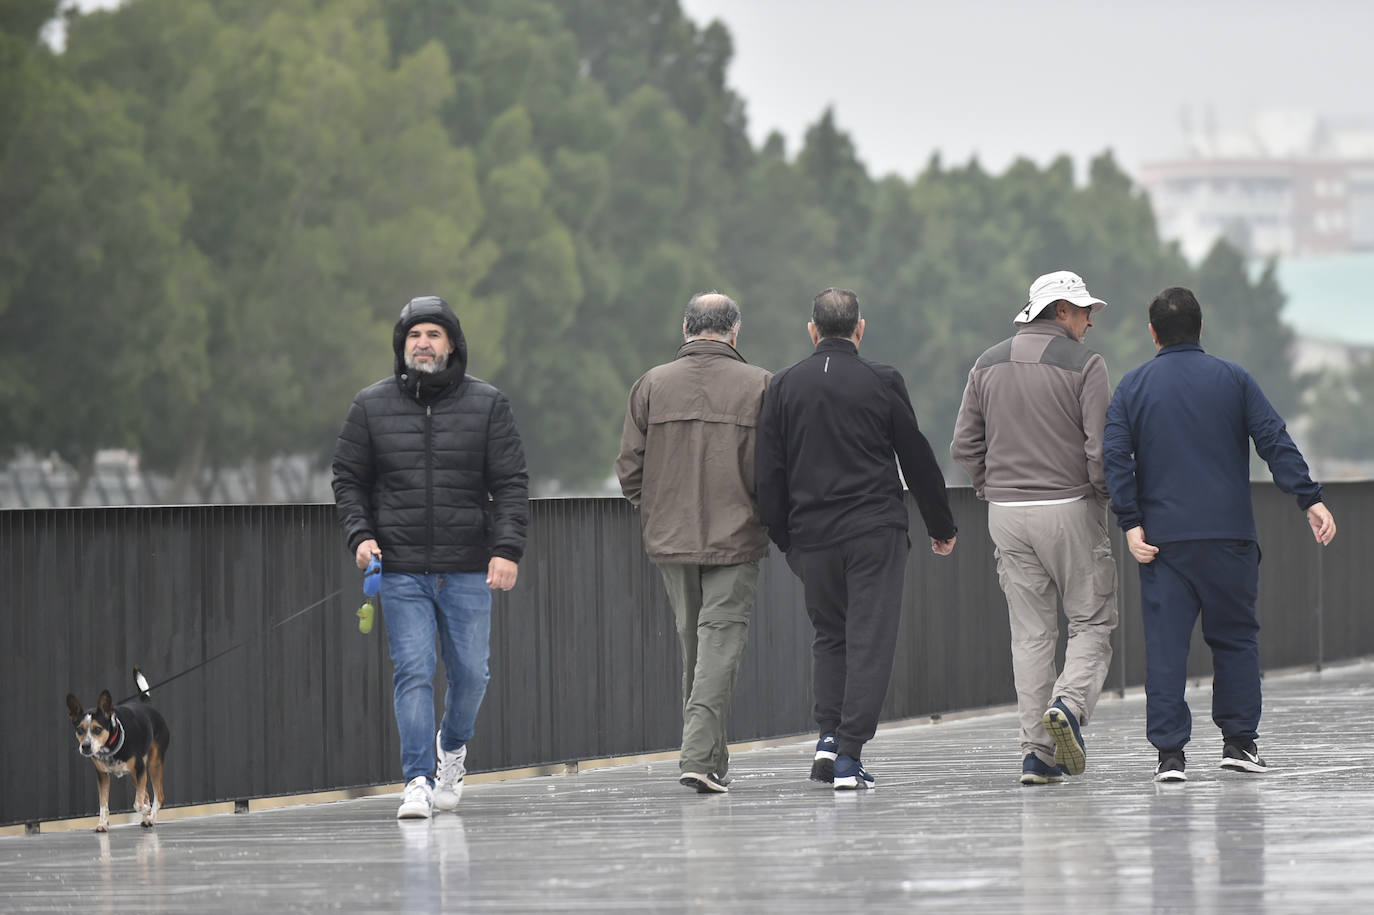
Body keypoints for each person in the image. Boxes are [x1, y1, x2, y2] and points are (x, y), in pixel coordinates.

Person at [1103, 286, 1336, 783]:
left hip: (1162, 543)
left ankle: (1170, 756)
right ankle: (1239, 743)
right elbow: (1274, 439)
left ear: (1153, 334)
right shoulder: (1234, 379)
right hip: (1229, 536)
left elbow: (1115, 458)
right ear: (1200, 327)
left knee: (1166, 647)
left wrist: (1130, 521)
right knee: (1235, 639)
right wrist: (1309, 498)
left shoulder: (1133, 387)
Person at [332, 295, 529, 818]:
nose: (423, 343)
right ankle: (416, 780)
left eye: (434, 335)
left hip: (467, 567)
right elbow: (349, 480)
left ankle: (453, 747)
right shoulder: (370, 405)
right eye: (414, 335)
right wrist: (361, 537)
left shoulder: (488, 404)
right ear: (402, 346)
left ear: (452, 345)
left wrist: (506, 549)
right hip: (399, 571)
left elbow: (510, 484)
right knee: (414, 671)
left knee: (471, 675)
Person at [755, 287, 957, 790]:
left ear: (812, 330)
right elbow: (916, 457)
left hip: (813, 537)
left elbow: (768, 470)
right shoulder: (882, 380)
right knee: (871, 640)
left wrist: (785, 537)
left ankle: (828, 739)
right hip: (873, 532)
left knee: (830, 636)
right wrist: (941, 525)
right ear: (859, 329)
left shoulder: (783, 386)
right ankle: (849, 755)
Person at [951, 270, 1119, 786]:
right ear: (1062, 311)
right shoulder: (1086, 364)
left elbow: (964, 446)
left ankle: (1036, 755)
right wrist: (1107, 499)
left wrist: (989, 487)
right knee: (1091, 620)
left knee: (1030, 635)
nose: (1091, 320)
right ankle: (1068, 705)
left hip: (1005, 513)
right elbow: (1100, 450)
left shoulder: (986, 362)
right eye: (1086, 310)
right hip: (1068, 507)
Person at [615, 292, 772, 794]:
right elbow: (775, 469)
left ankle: (707, 758)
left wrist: (655, 509)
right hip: (738, 533)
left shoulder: (651, 385)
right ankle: (699, 757)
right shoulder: (761, 386)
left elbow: (629, 468)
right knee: (718, 645)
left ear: (685, 328)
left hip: (671, 535)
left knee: (695, 645)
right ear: (735, 331)